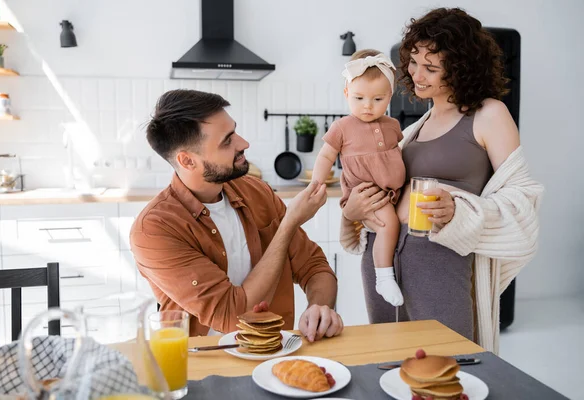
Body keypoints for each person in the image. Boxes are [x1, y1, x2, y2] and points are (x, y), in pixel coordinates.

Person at [339, 7, 543, 353]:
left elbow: (523, 200)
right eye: (414, 62)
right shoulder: (415, 127)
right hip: (380, 266)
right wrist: (351, 212)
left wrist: (459, 211)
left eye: (431, 67)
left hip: (439, 269)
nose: (417, 74)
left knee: (448, 366)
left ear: (462, 69)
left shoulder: (489, 114)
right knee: (389, 366)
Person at [130, 89, 344, 342]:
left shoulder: (257, 192)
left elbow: (314, 267)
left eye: (235, 131)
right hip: (202, 365)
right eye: (227, 140)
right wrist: (289, 225)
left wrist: (319, 308)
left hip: (275, 353)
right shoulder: (155, 229)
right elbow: (232, 317)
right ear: (187, 161)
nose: (243, 143)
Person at [311, 49, 406, 307]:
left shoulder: (393, 125)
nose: (367, 105)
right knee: (389, 225)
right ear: (346, 94)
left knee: (395, 226)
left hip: (390, 192)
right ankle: (383, 276)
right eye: (359, 97)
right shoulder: (342, 127)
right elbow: (325, 157)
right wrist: (317, 185)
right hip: (367, 194)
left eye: (377, 98)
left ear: (389, 97)